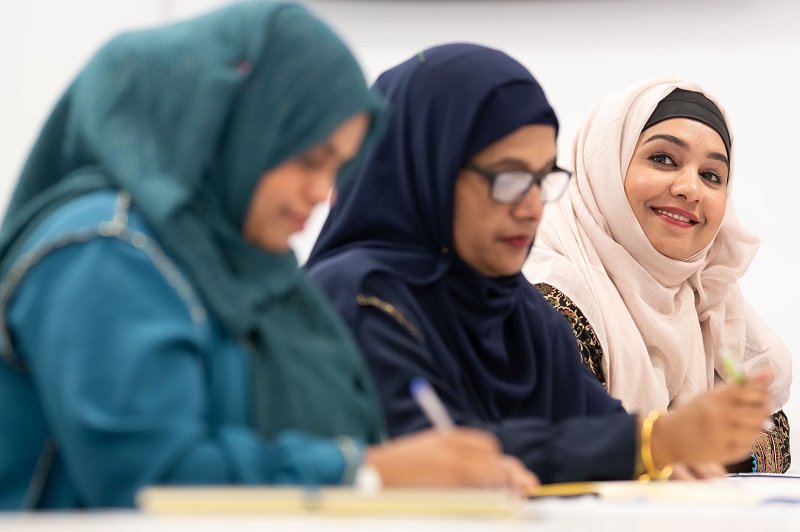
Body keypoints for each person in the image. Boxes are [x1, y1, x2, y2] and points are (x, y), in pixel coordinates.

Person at [0, 3, 538, 510]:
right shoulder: (106, 251)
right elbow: (152, 479)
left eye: (339, 168)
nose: (323, 191)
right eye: (309, 159)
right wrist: (368, 473)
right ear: (232, 126)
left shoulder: (246, 266)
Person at [306, 44, 773, 484]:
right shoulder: (359, 297)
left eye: (540, 179)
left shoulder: (517, 311)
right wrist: (652, 445)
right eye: (509, 178)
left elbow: (601, 429)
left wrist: (669, 453)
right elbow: (441, 460)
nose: (531, 207)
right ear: (428, 169)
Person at [522, 79, 792, 473]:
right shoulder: (547, 295)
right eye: (663, 159)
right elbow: (565, 438)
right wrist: (682, 444)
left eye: (712, 176)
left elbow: (772, 430)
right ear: (606, 168)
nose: (690, 189)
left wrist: (718, 448)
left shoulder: (708, 295)